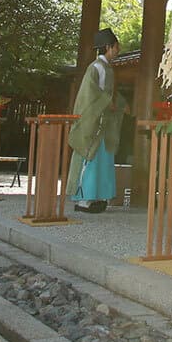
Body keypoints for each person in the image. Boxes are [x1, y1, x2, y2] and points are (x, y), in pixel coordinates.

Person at [67, 30, 125, 213]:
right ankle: (83, 199)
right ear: (108, 47)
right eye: (116, 47)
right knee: (89, 157)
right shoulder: (96, 67)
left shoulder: (106, 67)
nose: (118, 50)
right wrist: (108, 102)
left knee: (102, 159)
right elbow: (89, 92)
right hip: (94, 120)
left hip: (103, 120)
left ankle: (97, 196)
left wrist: (116, 103)